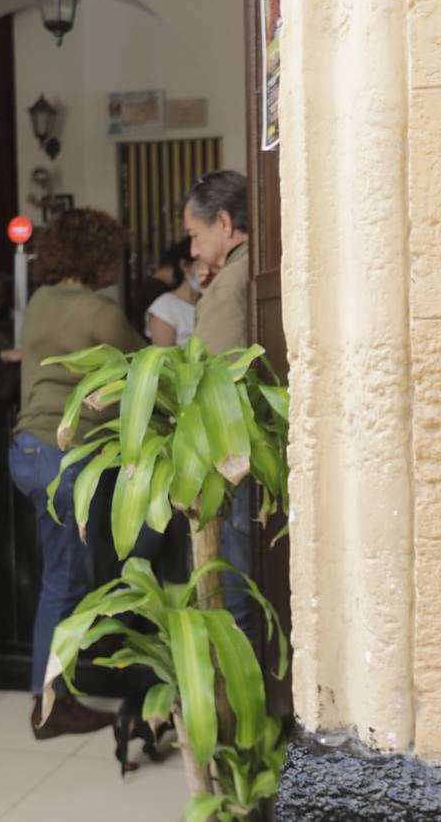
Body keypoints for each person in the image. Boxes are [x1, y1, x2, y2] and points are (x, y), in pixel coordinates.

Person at [9, 208, 152, 738]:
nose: (118, 261)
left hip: (27, 449)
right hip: (64, 459)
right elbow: (150, 372)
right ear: (97, 255)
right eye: (112, 251)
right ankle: (49, 706)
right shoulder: (100, 311)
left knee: (61, 578)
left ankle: (52, 695)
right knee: (66, 584)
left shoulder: (42, 301)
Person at [182, 170, 254, 634]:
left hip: (237, 459)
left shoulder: (230, 285)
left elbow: (212, 381)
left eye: (194, 234)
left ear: (224, 223)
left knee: (238, 593)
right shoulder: (252, 267)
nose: (191, 250)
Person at [144, 237, 199, 347]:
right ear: (185, 266)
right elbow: (164, 359)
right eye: (202, 265)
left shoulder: (213, 301)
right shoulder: (164, 309)